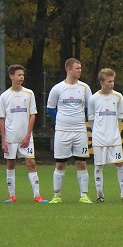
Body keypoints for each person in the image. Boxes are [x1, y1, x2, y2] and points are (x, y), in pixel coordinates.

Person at [46, 58, 94, 203]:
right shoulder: (57, 88)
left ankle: (84, 195)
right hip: (62, 131)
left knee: (81, 162)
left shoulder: (85, 88)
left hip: (79, 130)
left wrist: (81, 120)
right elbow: (50, 109)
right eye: (77, 68)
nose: (80, 70)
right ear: (68, 69)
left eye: (80, 68)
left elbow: (89, 109)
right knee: (60, 163)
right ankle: (57, 195)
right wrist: (61, 120)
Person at [0, 64, 46, 203]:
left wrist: (28, 135)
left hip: (26, 137)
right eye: (19, 75)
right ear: (11, 76)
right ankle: (11, 195)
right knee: (11, 164)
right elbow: (2, 118)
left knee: (31, 162)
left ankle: (37, 195)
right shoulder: (5, 96)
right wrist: (4, 140)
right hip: (11, 137)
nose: (22, 77)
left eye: (23, 75)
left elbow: (32, 115)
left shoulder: (29, 94)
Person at [89, 68, 123, 202]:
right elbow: (91, 119)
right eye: (109, 81)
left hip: (114, 138)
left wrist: (113, 130)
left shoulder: (118, 97)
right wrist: (98, 132)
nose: (112, 84)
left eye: (113, 81)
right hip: (99, 138)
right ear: (102, 82)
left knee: (119, 164)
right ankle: (100, 195)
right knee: (99, 165)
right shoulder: (93, 98)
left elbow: (119, 117)